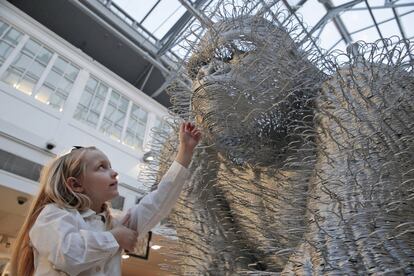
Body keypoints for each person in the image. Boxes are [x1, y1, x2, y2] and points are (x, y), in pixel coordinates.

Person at [8, 122, 201, 276]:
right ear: (76, 185)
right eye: (102, 167)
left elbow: (158, 202)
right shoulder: (52, 215)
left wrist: (184, 153)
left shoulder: (115, 223)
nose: (115, 172)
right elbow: (68, 255)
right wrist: (115, 238)